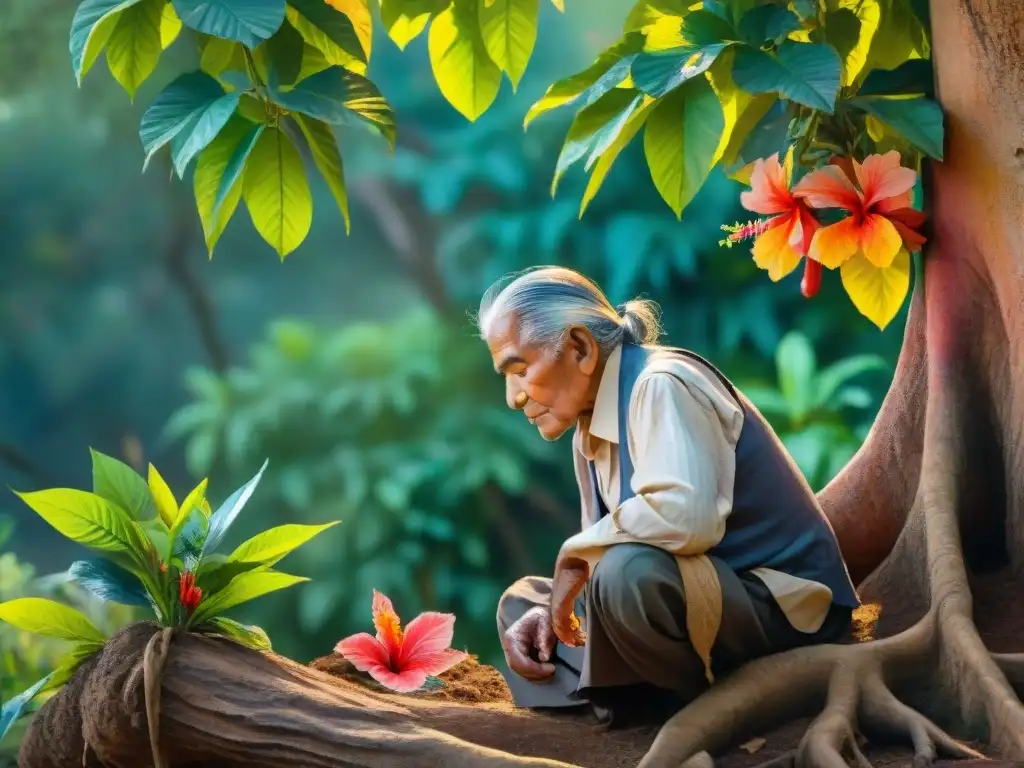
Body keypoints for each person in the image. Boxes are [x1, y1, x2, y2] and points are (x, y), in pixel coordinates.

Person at [477, 266, 859, 727]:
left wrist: (577, 552)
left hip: (782, 611)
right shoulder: (587, 429)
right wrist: (555, 607)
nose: (512, 397)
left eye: (519, 370)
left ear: (579, 347)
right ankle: (634, 692)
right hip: (699, 604)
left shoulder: (661, 383)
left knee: (624, 574)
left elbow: (687, 518)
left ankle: (672, 700)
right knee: (523, 605)